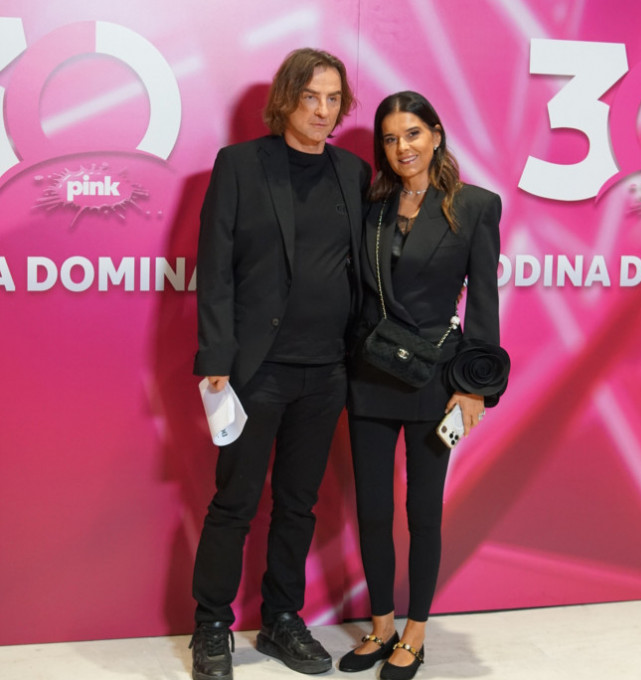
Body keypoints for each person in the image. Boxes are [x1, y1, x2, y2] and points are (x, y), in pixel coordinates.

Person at [190, 48, 371, 680]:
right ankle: (212, 625)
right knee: (235, 502)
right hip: (255, 370)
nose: (323, 111)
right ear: (287, 99)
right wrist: (216, 354)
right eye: (311, 97)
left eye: (333, 99)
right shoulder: (241, 165)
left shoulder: (353, 172)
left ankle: (282, 619)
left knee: (299, 504)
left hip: (327, 371)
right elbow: (215, 266)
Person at [339, 91, 505, 680]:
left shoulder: (476, 206)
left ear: (435, 134)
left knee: (423, 511)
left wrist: (475, 388)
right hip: (371, 375)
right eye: (389, 138)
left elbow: (483, 304)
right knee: (372, 509)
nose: (402, 147)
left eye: (412, 133)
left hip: (438, 381)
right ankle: (381, 625)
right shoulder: (373, 208)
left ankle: (416, 632)